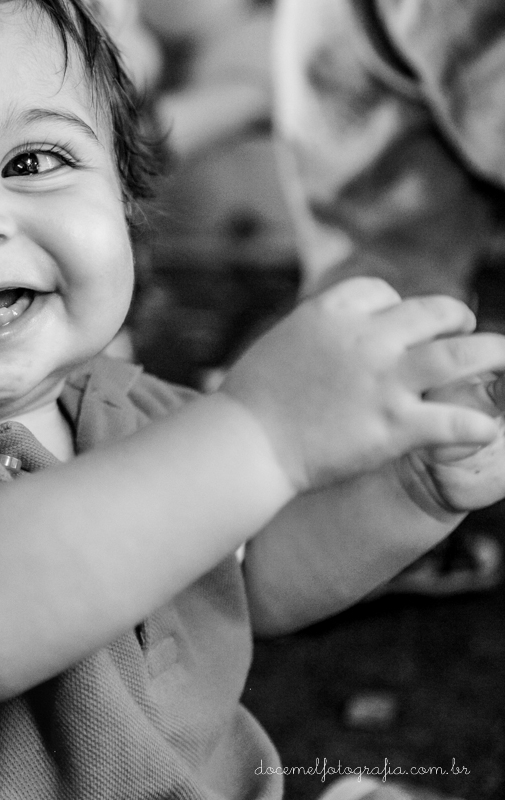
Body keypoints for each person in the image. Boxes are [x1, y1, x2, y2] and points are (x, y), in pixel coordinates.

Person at [0, 0, 505, 797]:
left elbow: (250, 574)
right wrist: (263, 437)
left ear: (123, 198)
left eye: (31, 162)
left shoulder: (127, 409)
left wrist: (410, 491)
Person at [272, 0, 505, 596]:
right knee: (381, 307)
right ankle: (351, 532)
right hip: (387, 99)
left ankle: (358, 516)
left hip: (373, 74)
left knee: (383, 293)